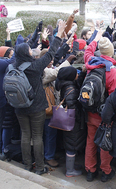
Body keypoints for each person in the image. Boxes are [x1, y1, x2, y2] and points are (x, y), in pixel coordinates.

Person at [14, 21, 66, 175]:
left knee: (25, 134)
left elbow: (22, 49)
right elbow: (51, 53)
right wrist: (58, 35)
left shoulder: (13, 65)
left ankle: (27, 165)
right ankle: (39, 166)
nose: (32, 51)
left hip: (19, 105)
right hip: (36, 106)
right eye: (30, 50)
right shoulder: (35, 67)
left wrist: (37, 32)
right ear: (28, 53)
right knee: (37, 136)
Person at [84, 31, 116, 182]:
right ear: (111, 52)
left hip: (90, 110)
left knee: (91, 141)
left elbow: (87, 51)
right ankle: (105, 171)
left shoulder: (90, 63)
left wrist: (95, 39)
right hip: (104, 114)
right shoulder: (113, 72)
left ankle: (90, 170)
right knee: (105, 142)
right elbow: (115, 98)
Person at [55, 66, 87, 177]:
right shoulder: (71, 89)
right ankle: (70, 170)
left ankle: (71, 166)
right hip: (73, 122)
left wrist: (82, 74)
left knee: (71, 143)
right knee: (72, 145)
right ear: (71, 76)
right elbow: (72, 106)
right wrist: (79, 117)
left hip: (68, 121)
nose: (77, 75)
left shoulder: (65, 84)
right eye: (76, 74)